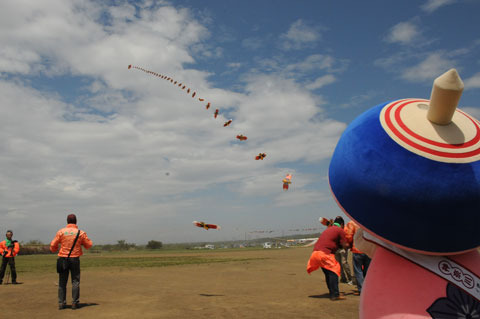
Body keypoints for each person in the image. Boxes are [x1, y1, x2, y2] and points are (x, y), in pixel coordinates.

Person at [50, 213, 92, 310]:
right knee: (75, 281)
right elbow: (89, 245)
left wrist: (55, 249)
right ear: (76, 221)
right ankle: (75, 303)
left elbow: (53, 245)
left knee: (62, 282)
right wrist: (80, 243)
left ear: (67, 221)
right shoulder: (80, 233)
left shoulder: (61, 232)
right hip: (75, 259)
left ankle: (61, 303)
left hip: (63, 259)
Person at [307, 216, 350, 301]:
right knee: (334, 271)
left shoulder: (328, 229)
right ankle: (335, 295)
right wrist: (352, 245)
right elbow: (345, 245)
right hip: (324, 254)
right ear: (342, 224)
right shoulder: (340, 230)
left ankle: (332, 292)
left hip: (315, 254)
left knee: (328, 274)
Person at [345, 220, 371, 295]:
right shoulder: (369, 221)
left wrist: (349, 245)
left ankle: (361, 290)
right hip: (368, 249)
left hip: (357, 250)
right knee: (367, 271)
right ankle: (368, 288)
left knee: (358, 271)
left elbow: (348, 236)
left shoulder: (352, 223)